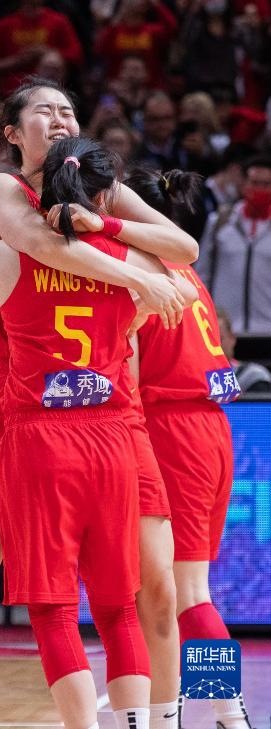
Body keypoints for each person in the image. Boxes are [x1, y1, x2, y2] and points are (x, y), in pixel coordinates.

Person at [0, 76, 200, 729]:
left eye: (67, 110)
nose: (58, 118)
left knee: (168, 591)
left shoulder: (103, 200)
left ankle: (205, 712)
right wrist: (134, 270)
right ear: (11, 132)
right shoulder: (8, 190)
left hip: (130, 413)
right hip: (35, 413)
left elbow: (182, 250)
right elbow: (49, 245)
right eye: (43, 111)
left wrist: (107, 227)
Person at [0, 135, 184, 729]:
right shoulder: (137, 262)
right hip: (124, 435)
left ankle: (195, 712)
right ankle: (189, 716)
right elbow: (174, 287)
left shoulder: (0, 257)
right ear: (106, 196)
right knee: (144, 605)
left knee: (58, 608)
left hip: (45, 439)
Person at [123, 165, 253, 729]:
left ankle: (228, 714)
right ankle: (192, 710)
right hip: (211, 428)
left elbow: (128, 375)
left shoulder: (134, 271)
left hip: (173, 429)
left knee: (185, 593)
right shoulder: (184, 267)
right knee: (182, 591)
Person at [196, 155, 271, 334]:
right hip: (224, 330)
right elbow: (202, 274)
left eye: (266, 184)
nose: (259, 189)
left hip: (268, 329)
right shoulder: (219, 222)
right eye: (254, 183)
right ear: (243, 184)